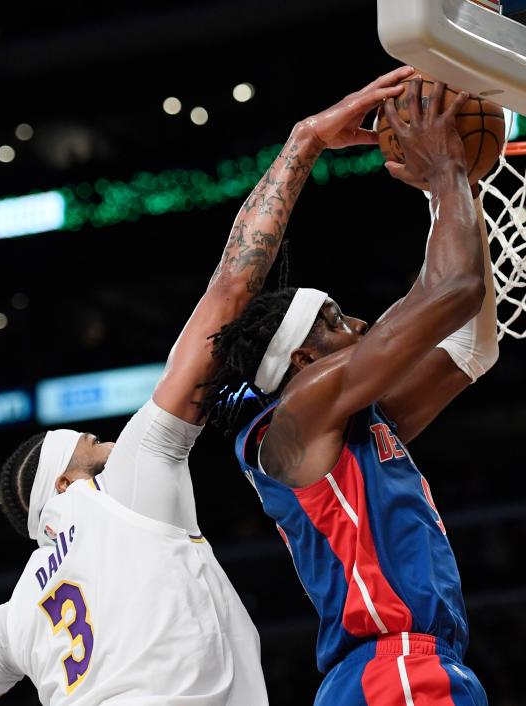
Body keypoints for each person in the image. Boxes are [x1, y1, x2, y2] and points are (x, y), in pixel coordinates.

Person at [0, 65, 417, 706]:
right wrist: (303, 141)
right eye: (95, 443)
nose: (112, 443)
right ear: (66, 484)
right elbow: (232, 288)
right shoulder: (123, 489)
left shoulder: (13, 618)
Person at [201, 78, 499, 705]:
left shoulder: (360, 427)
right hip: (394, 674)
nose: (357, 323)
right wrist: (445, 170)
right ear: (302, 358)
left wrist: (453, 192)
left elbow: (471, 348)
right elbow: (450, 292)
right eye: (335, 319)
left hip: (406, 673)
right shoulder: (296, 414)